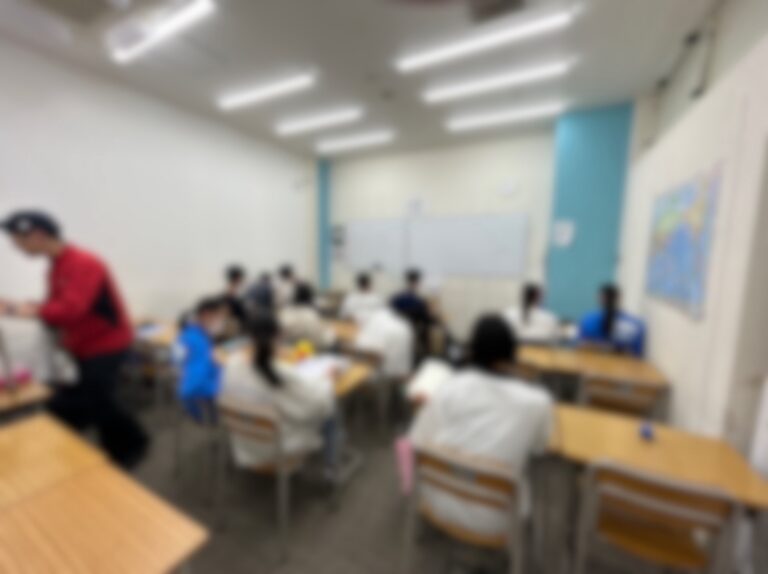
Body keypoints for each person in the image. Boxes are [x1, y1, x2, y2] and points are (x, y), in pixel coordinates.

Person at [0, 210, 148, 468]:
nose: (16, 247)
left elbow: (70, 310)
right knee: (94, 400)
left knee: (98, 400)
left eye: (19, 241)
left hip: (107, 343)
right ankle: (116, 443)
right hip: (82, 344)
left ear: (38, 235)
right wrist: (27, 306)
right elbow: (57, 306)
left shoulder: (84, 263)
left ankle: (131, 446)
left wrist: (17, 310)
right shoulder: (57, 266)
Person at [409, 314, 554, 537]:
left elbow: (416, 442)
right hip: (498, 519)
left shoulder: (449, 387)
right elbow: (539, 447)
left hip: (435, 501)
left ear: (472, 351)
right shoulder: (538, 402)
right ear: (512, 353)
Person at [219, 313, 340, 472]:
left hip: (243, 440)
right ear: (278, 336)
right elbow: (315, 403)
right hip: (277, 446)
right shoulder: (277, 372)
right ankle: (332, 469)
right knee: (331, 414)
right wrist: (327, 379)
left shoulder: (232, 363)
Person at [176, 296, 227, 422]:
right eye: (218, 316)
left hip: (195, 385)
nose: (220, 320)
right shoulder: (194, 338)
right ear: (206, 314)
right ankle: (206, 418)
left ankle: (206, 417)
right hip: (199, 388)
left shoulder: (195, 332)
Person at [578, 284, 646, 357]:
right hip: (593, 360)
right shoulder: (588, 320)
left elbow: (636, 354)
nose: (607, 301)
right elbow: (580, 345)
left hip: (620, 362)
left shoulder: (633, 325)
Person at [354, 302, 415, 380]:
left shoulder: (381, 319)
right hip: (401, 371)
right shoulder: (405, 326)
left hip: (385, 375)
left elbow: (374, 357)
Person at [391, 269, 434, 359]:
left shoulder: (397, 299)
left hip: (396, 333)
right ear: (417, 282)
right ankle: (427, 356)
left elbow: (390, 314)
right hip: (411, 332)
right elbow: (426, 319)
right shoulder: (418, 301)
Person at [279, 282, 334, 347]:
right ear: (310, 297)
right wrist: (331, 332)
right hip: (309, 349)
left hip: (287, 349)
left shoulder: (285, 313)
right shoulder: (311, 315)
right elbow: (322, 340)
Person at [222, 264, 248, 334]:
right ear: (237, 278)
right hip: (236, 324)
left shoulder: (235, 290)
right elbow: (228, 309)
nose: (242, 279)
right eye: (241, 277)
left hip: (239, 323)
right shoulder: (230, 292)